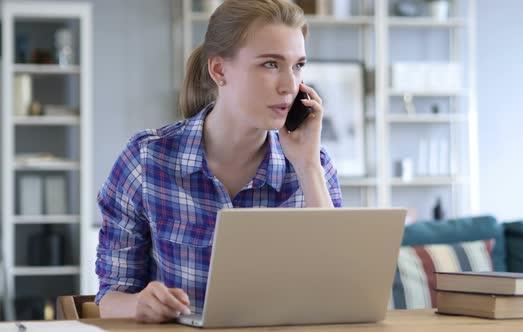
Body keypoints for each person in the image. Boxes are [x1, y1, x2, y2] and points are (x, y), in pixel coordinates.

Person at [95, 0, 342, 323]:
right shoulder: (146, 160)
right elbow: (109, 297)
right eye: (270, 64)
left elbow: (339, 293)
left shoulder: (313, 166)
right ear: (219, 70)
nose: (289, 85)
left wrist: (308, 166)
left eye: (298, 66)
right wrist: (139, 305)